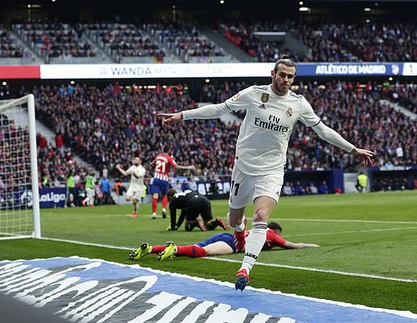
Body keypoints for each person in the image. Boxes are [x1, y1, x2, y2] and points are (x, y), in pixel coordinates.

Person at [157, 56, 374, 291]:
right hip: (243, 168)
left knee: (260, 216)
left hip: (272, 170)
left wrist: (353, 149)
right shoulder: (253, 93)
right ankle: (239, 234)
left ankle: (245, 269)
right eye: (282, 75)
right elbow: (220, 109)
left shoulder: (299, 104)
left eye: (291, 76)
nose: (286, 80)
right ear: (273, 74)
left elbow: (323, 131)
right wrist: (182, 115)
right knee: (234, 220)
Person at [129, 221, 319, 261]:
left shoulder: (260, 231)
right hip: (232, 244)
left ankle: (150, 249)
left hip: (224, 236)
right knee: (202, 252)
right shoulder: (269, 233)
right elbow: (290, 245)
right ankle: (175, 250)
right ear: (275, 230)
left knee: (199, 247)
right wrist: (310, 245)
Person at [150, 144, 195, 219]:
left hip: (156, 178)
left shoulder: (158, 156)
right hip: (164, 179)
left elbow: (152, 164)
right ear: (169, 150)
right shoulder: (169, 158)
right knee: (164, 195)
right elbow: (177, 167)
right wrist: (188, 167)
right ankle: (164, 209)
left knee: (155, 196)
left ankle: (154, 213)